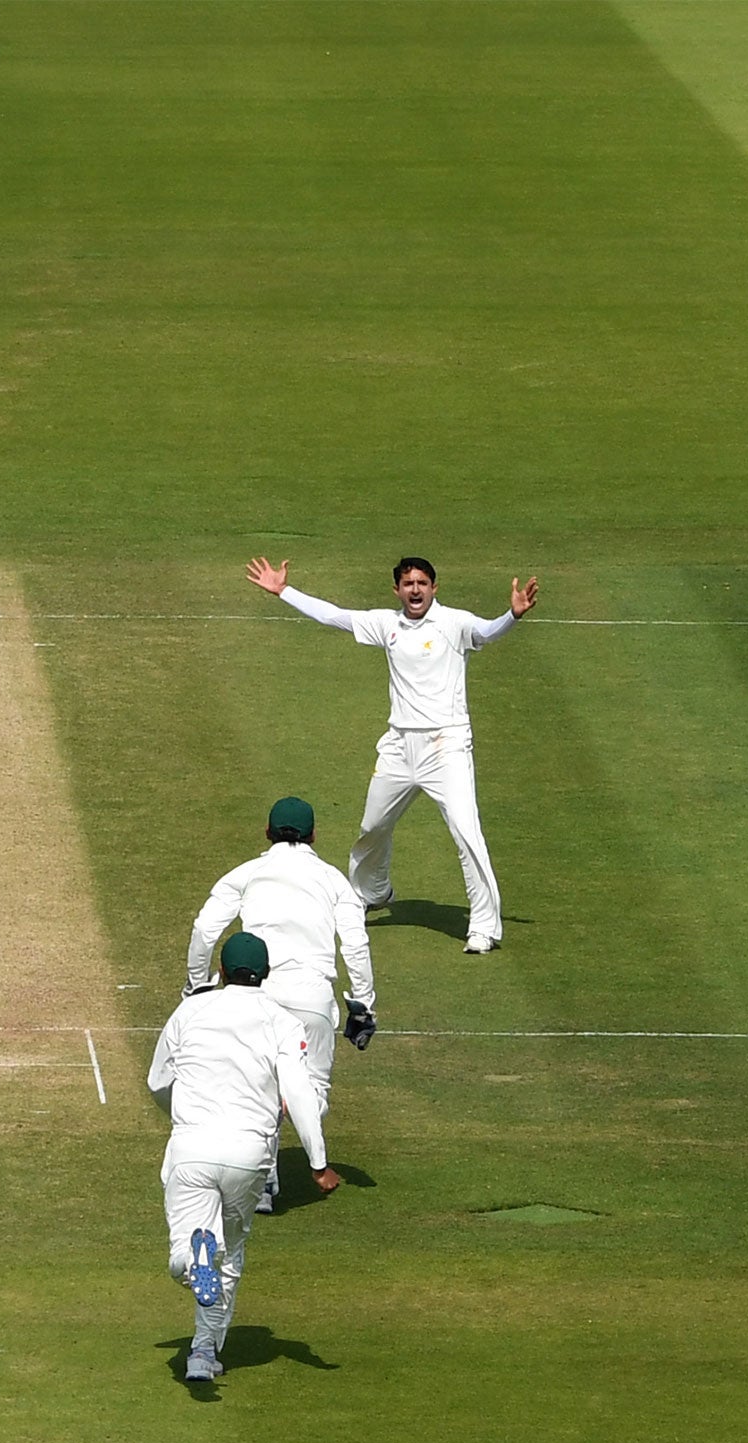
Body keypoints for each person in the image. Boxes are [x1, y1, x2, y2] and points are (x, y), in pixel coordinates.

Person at [245, 555, 538, 953]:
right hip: (399, 746)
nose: (415, 590)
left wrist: (512, 615)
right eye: (407, 583)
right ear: (397, 590)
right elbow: (335, 616)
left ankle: (484, 927)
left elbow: (486, 632)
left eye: (422, 583)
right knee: (373, 827)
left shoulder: (454, 623)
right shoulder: (387, 624)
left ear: (435, 587)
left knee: (467, 833)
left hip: (446, 745)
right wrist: (284, 591)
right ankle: (372, 892)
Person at [148, 932, 339, 1384]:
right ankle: (203, 1353)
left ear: (220, 970)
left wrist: (179, 1113)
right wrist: (317, 1162)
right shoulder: (282, 1021)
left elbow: (158, 1081)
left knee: (186, 1251)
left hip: (192, 1146)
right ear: (266, 975)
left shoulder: (190, 1010)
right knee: (230, 1255)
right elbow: (299, 1091)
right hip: (248, 1152)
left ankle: (193, 1268)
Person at [186, 796, 376, 1213]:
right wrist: (362, 1005)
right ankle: (294, 1135)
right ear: (313, 835)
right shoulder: (333, 880)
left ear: (267, 833)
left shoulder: (248, 873)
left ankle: (265, 1180)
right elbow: (356, 943)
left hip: (260, 993)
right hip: (312, 999)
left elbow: (205, 929)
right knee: (313, 1091)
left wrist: (198, 985)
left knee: (260, 1084)